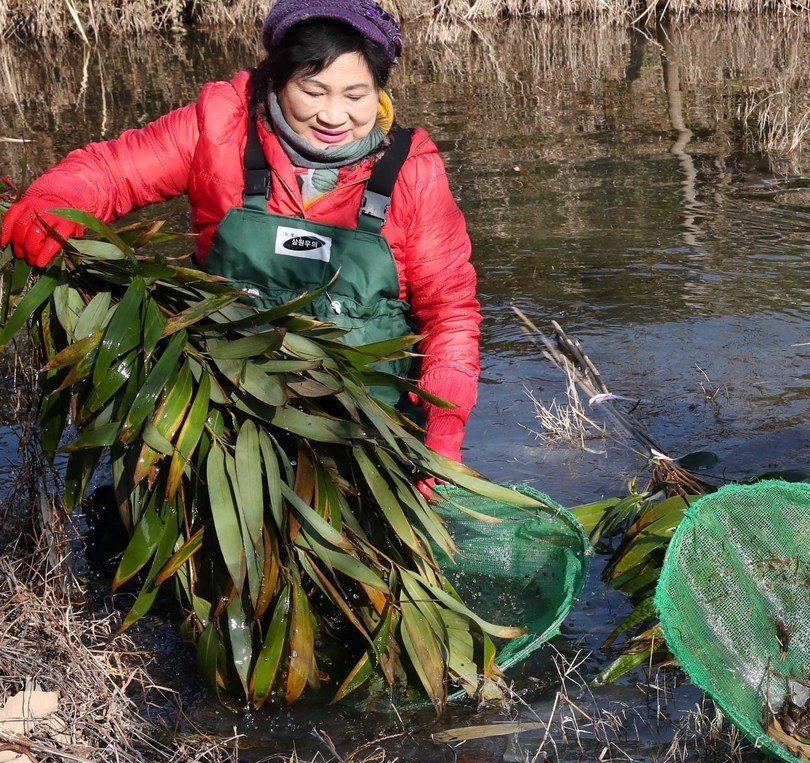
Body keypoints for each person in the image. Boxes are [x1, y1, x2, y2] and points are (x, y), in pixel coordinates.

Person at [0, 0, 479, 498]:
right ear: (277, 77)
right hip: (223, 423)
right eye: (313, 91)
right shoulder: (221, 126)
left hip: (363, 432)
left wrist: (443, 432)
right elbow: (112, 171)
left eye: (356, 95)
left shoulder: (412, 171)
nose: (334, 115)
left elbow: (449, 313)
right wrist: (59, 199)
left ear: (379, 91)